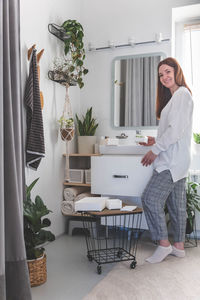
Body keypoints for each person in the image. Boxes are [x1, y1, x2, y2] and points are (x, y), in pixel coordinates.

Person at [140, 57, 193, 264]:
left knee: (150, 199)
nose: (164, 77)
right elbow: (175, 129)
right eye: (161, 74)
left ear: (176, 71)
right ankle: (178, 247)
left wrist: (155, 149)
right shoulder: (177, 97)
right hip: (179, 158)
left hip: (172, 161)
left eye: (168, 72)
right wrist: (156, 140)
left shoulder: (181, 94)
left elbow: (175, 130)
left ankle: (163, 244)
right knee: (177, 205)